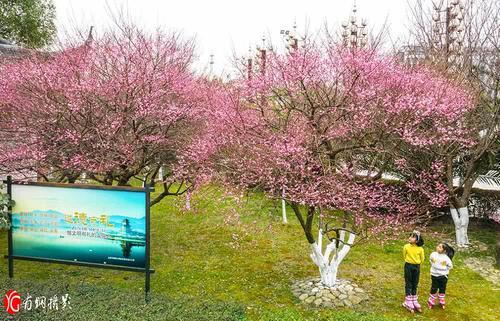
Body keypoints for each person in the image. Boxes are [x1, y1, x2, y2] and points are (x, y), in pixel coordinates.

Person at [402, 230, 425, 313]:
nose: (410, 238)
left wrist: (417, 263)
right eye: (410, 236)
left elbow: (422, 259)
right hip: (408, 266)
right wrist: (409, 261)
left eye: (412, 237)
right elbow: (404, 255)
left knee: (415, 282)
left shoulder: (420, 249)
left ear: (417, 240)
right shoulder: (406, 246)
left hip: (417, 267)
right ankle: (408, 300)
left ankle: (414, 299)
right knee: (408, 282)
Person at [428, 242, 454, 309]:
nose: (437, 247)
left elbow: (450, 266)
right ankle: (431, 300)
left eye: (440, 247)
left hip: (443, 276)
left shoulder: (446, 258)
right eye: (438, 246)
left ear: (444, 251)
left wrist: (444, 270)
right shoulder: (433, 254)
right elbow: (430, 260)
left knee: (442, 288)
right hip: (434, 274)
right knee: (434, 287)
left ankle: (441, 299)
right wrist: (434, 267)